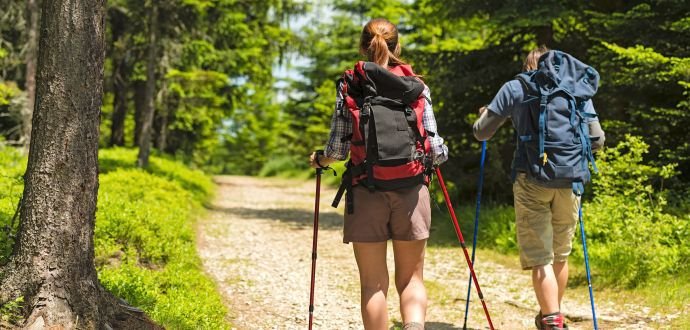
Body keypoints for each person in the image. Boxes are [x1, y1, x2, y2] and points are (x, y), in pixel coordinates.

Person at [308, 18, 448, 330]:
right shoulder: (416, 86)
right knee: (411, 278)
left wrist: (319, 160)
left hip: (365, 190)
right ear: (397, 46)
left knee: (373, 284)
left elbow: (338, 149)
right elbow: (436, 149)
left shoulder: (351, 85)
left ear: (362, 47)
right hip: (412, 190)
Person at [472, 46, 605, 330]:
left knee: (541, 257)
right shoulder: (576, 88)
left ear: (528, 65)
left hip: (531, 178)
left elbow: (482, 132)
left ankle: (552, 319)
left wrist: (488, 114)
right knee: (560, 253)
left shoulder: (516, 87)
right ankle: (552, 314)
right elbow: (597, 139)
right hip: (571, 181)